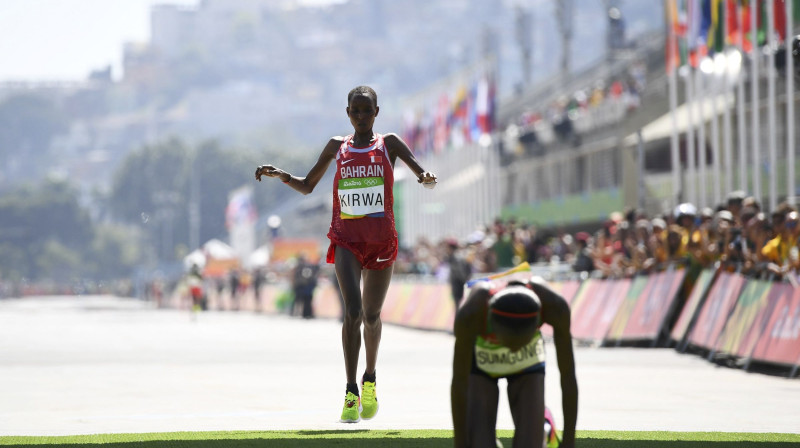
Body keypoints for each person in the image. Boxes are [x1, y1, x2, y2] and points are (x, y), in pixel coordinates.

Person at [255, 85, 437, 423]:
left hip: (382, 242)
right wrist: (282, 175)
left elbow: (418, 170)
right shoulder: (336, 147)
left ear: (377, 113)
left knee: (371, 316)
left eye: (368, 111)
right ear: (348, 113)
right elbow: (308, 184)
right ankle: (351, 390)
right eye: (356, 111)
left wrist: (425, 177)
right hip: (346, 240)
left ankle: (371, 378)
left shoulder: (390, 144)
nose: (362, 117)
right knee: (351, 312)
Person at [451, 277, 578, 448]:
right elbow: (459, 382)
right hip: (483, 366)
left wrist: (568, 442)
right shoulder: (471, 313)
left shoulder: (554, 306)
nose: (513, 351)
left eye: (519, 344)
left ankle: (544, 426)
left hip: (527, 364)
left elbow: (568, 376)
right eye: (509, 343)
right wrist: (461, 444)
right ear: (491, 323)